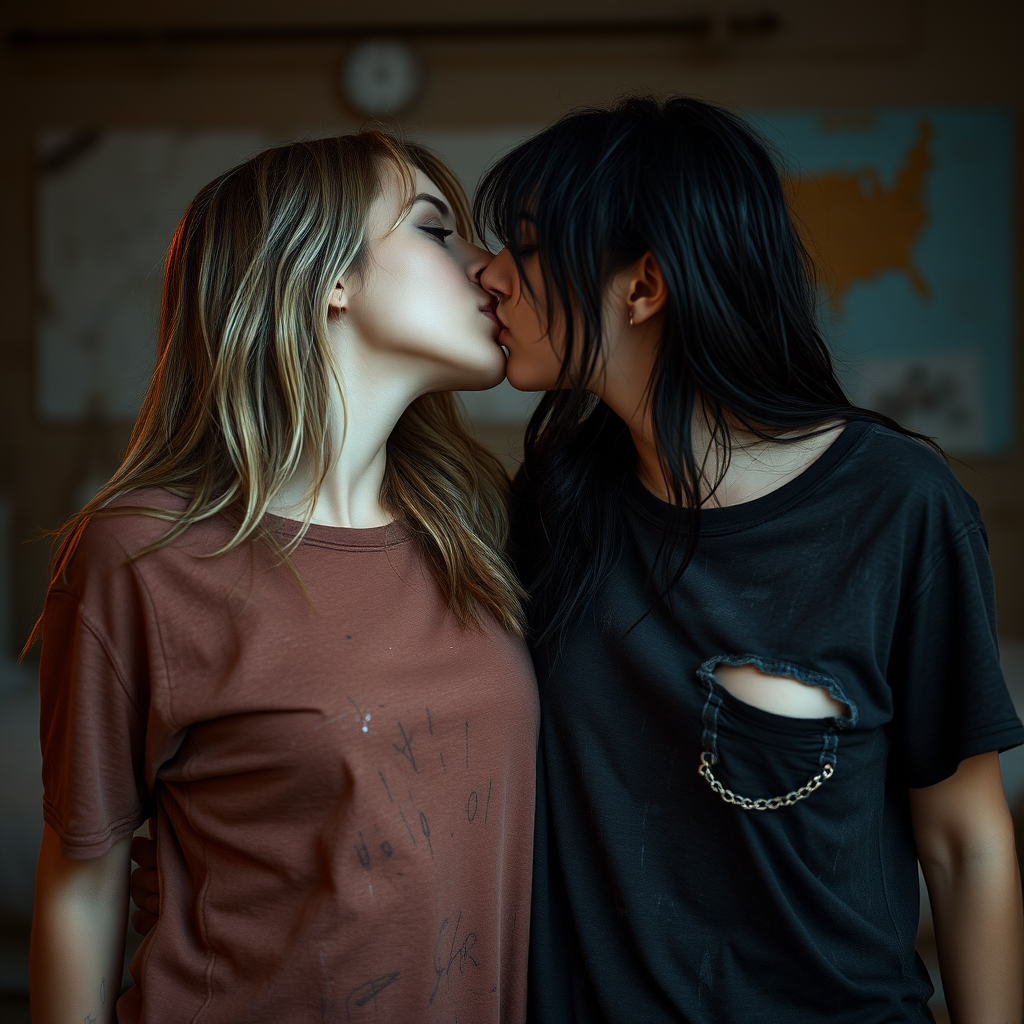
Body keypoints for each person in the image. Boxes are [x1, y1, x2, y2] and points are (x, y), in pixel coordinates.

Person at [472, 96, 1024, 1022]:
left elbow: (967, 845)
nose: (487, 274)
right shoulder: (560, 502)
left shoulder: (897, 506)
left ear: (643, 286)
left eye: (524, 243)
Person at [29, 131, 539, 1024]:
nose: (489, 268)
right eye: (434, 231)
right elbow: (82, 882)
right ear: (327, 279)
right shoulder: (144, 557)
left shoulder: (483, 525)